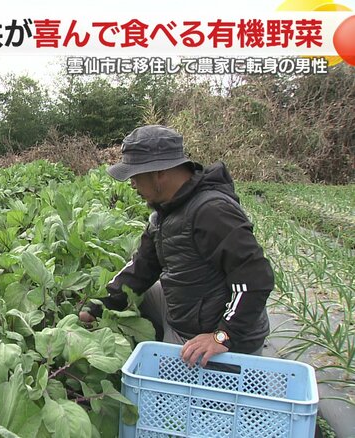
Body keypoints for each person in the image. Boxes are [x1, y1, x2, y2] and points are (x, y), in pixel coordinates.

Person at [79, 125, 273, 367]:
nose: (132, 185)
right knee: (143, 292)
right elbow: (142, 266)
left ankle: (186, 351)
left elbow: (256, 279)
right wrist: (97, 307)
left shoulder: (211, 211)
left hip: (218, 332)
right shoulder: (166, 210)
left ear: (159, 173)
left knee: (163, 385)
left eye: (135, 176)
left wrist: (222, 336)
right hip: (188, 305)